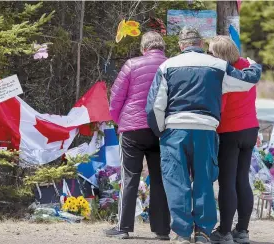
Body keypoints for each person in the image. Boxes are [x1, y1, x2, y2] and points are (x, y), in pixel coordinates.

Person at [146, 27, 262, 244]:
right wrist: (255, 65)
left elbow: (155, 106)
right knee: (204, 182)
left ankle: (182, 233)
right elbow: (247, 80)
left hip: (175, 130)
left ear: (181, 45)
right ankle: (203, 232)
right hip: (206, 129)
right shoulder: (218, 65)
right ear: (200, 44)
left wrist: (161, 131)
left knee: (177, 182)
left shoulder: (166, 66)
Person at [105, 31, 170, 240]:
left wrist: (120, 120)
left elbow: (116, 97)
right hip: (161, 128)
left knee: (130, 177)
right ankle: (162, 229)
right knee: (159, 179)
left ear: (144, 48)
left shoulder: (132, 64)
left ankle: (123, 227)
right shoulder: (171, 65)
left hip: (132, 128)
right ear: (162, 48)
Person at [208, 36, 259, 244]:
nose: (209, 56)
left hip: (230, 131)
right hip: (251, 129)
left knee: (227, 182)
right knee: (242, 180)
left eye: (211, 52)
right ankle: (242, 231)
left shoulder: (225, 74)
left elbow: (220, 106)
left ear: (219, 54)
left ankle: (224, 232)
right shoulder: (248, 67)